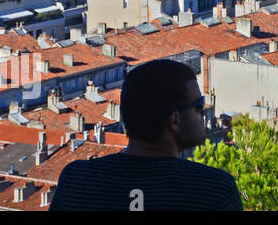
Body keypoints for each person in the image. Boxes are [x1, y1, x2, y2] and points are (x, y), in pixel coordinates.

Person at [50, 59, 242, 211]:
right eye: (198, 106)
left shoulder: (77, 181)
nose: (204, 112)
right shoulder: (214, 191)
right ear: (174, 120)